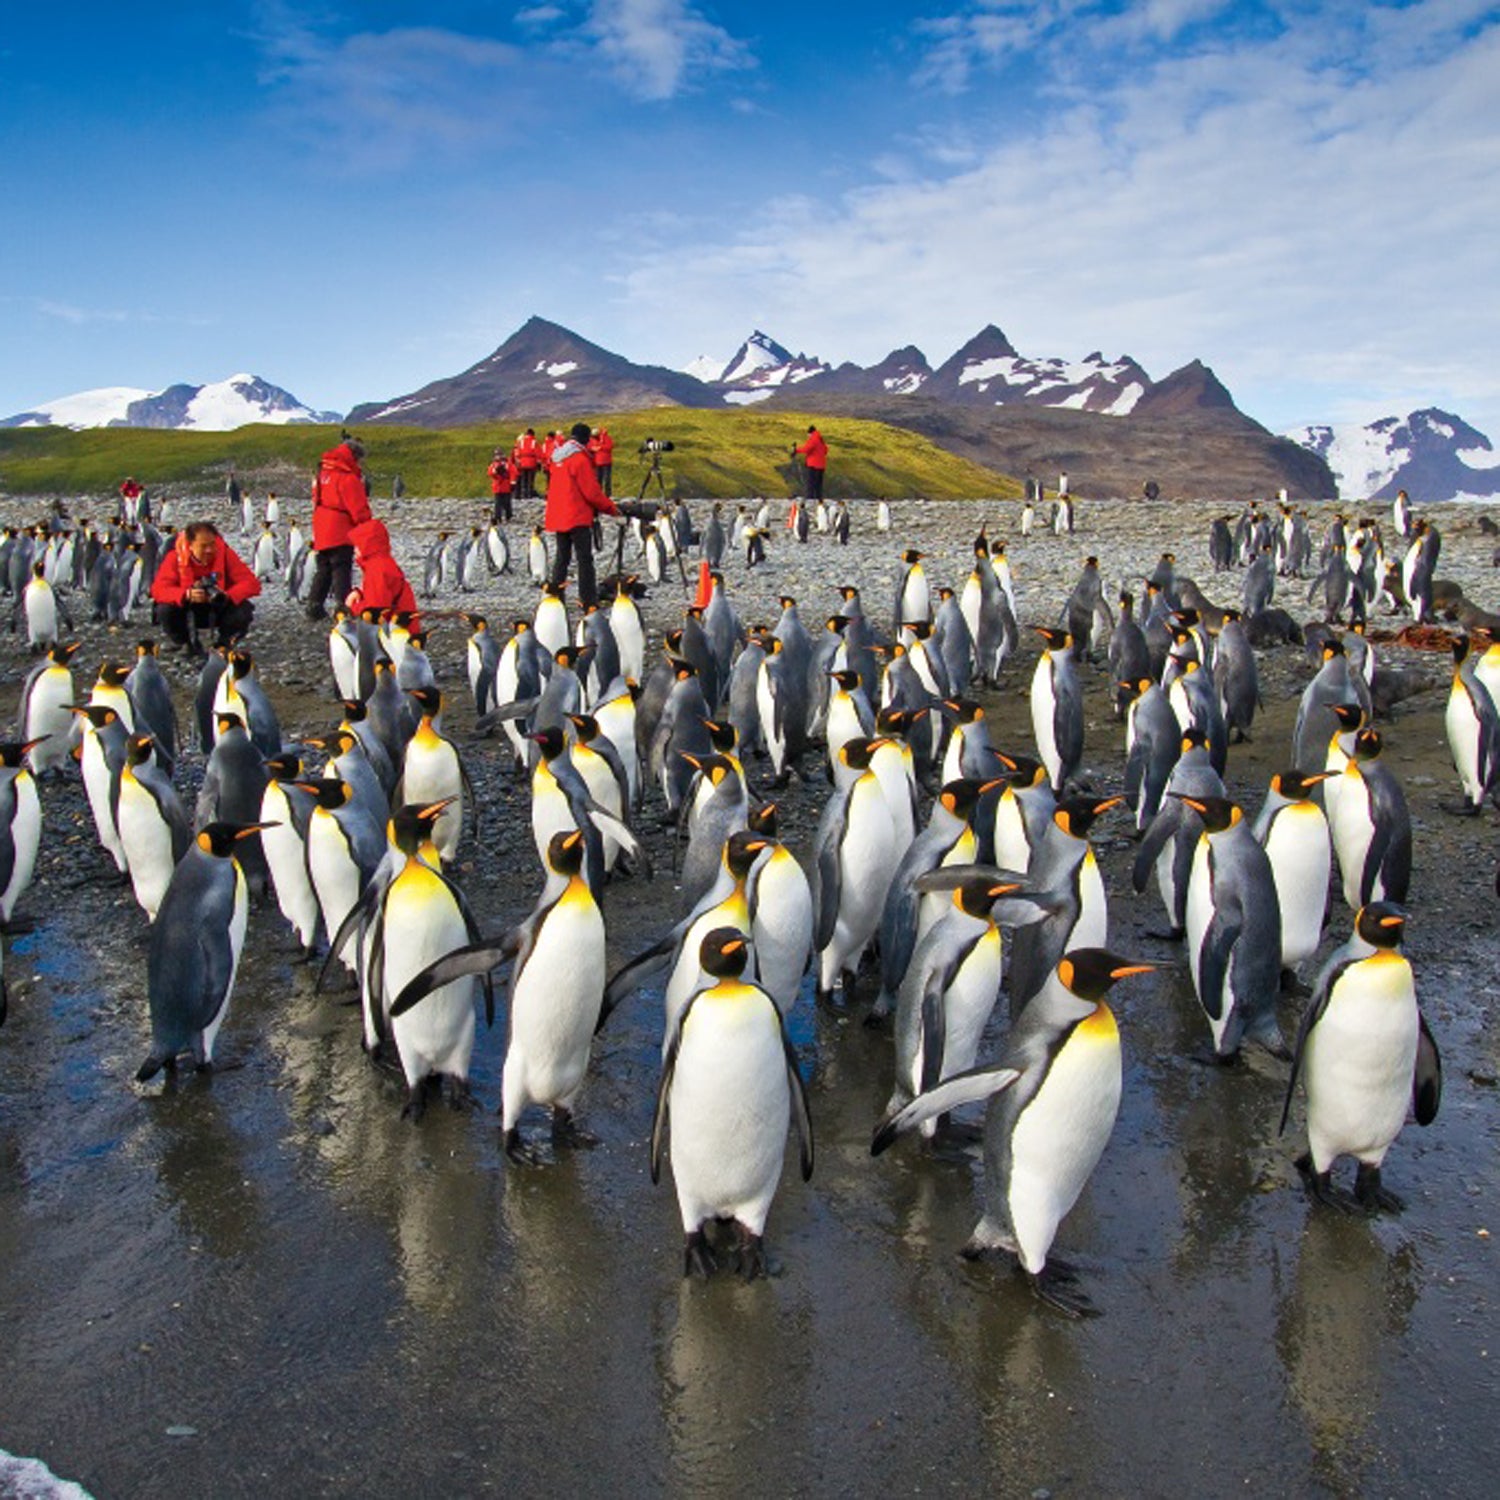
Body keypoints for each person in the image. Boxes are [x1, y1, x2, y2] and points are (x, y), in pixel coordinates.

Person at [150, 520, 260, 655]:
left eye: (212, 544)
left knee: (243, 608)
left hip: (217, 607)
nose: (209, 550)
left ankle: (224, 644)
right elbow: (158, 589)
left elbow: (252, 583)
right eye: (203, 546)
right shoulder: (175, 558)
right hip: (188, 610)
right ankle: (184, 642)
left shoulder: (224, 554)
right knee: (165, 608)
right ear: (190, 546)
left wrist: (228, 595)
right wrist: (186, 594)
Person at [545, 421, 620, 608]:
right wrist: (611, 508)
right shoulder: (579, 459)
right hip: (576, 515)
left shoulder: (557, 459)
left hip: (559, 515)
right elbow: (591, 492)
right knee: (584, 559)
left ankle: (556, 597)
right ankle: (588, 599)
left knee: (562, 558)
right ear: (586, 439)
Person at [306, 435, 373, 619]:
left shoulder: (323, 472)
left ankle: (314, 605)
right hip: (340, 528)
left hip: (321, 525)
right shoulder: (346, 477)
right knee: (341, 566)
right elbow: (358, 507)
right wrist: (367, 526)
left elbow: (315, 497)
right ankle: (344, 606)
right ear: (354, 456)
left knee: (324, 566)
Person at [346, 518, 420, 630]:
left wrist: (353, 608)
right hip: (401, 625)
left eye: (358, 545)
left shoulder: (377, 569)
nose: (355, 550)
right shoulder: (381, 562)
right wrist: (360, 594)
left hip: (397, 631)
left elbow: (377, 609)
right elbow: (381, 593)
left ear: (368, 545)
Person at [794, 424, 828, 502]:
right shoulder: (820, 439)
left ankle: (810, 500)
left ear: (810, 433)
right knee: (818, 484)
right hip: (821, 466)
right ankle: (819, 499)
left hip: (813, 465)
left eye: (808, 435)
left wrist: (797, 450)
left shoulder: (813, 439)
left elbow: (807, 449)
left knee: (811, 483)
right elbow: (825, 450)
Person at [513, 429, 541, 501]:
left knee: (523, 479)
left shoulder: (521, 441)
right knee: (530, 479)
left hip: (522, 463)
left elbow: (517, 452)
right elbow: (538, 453)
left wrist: (518, 462)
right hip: (532, 463)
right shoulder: (534, 442)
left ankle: (523, 494)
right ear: (533, 434)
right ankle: (529, 494)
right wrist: (538, 463)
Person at [487, 448, 514, 522]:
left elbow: (513, 472)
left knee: (507, 502)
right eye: (497, 455)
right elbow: (490, 473)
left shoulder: (508, 464)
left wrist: (512, 483)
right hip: (497, 487)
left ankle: (508, 516)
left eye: (499, 454)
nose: (498, 456)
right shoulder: (494, 465)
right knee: (497, 503)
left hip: (506, 486)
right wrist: (495, 471)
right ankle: (498, 517)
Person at [588, 426, 614, 497]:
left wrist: (600, 448)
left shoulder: (606, 438)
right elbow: (589, 446)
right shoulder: (591, 439)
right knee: (598, 479)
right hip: (597, 462)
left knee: (607, 479)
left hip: (606, 462)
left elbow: (610, 446)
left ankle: (608, 495)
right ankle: (599, 494)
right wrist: (592, 448)